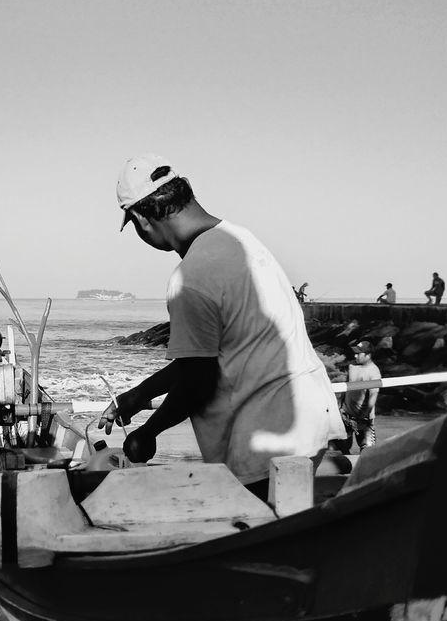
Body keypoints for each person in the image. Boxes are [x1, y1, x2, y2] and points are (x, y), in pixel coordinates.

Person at [99, 154, 345, 491]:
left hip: (264, 439)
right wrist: (139, 395)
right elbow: (215, 355)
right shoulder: (242, 240)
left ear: (142, 218)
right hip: (310, 419)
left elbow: (199, 381)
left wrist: (149, 432)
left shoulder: (191, 277)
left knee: (259, 535)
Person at [332, 340, 380, 453]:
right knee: (340, 448)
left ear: (368, 355)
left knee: (367, 452)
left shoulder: (374, 372)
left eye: (359, 353)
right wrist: (340, 406)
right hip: (346, 415)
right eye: (355, 353)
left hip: (363, 419)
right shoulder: (352, 366)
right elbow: (347, 387)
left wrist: (363, 417)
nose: (355, 355)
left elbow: (372, 397)